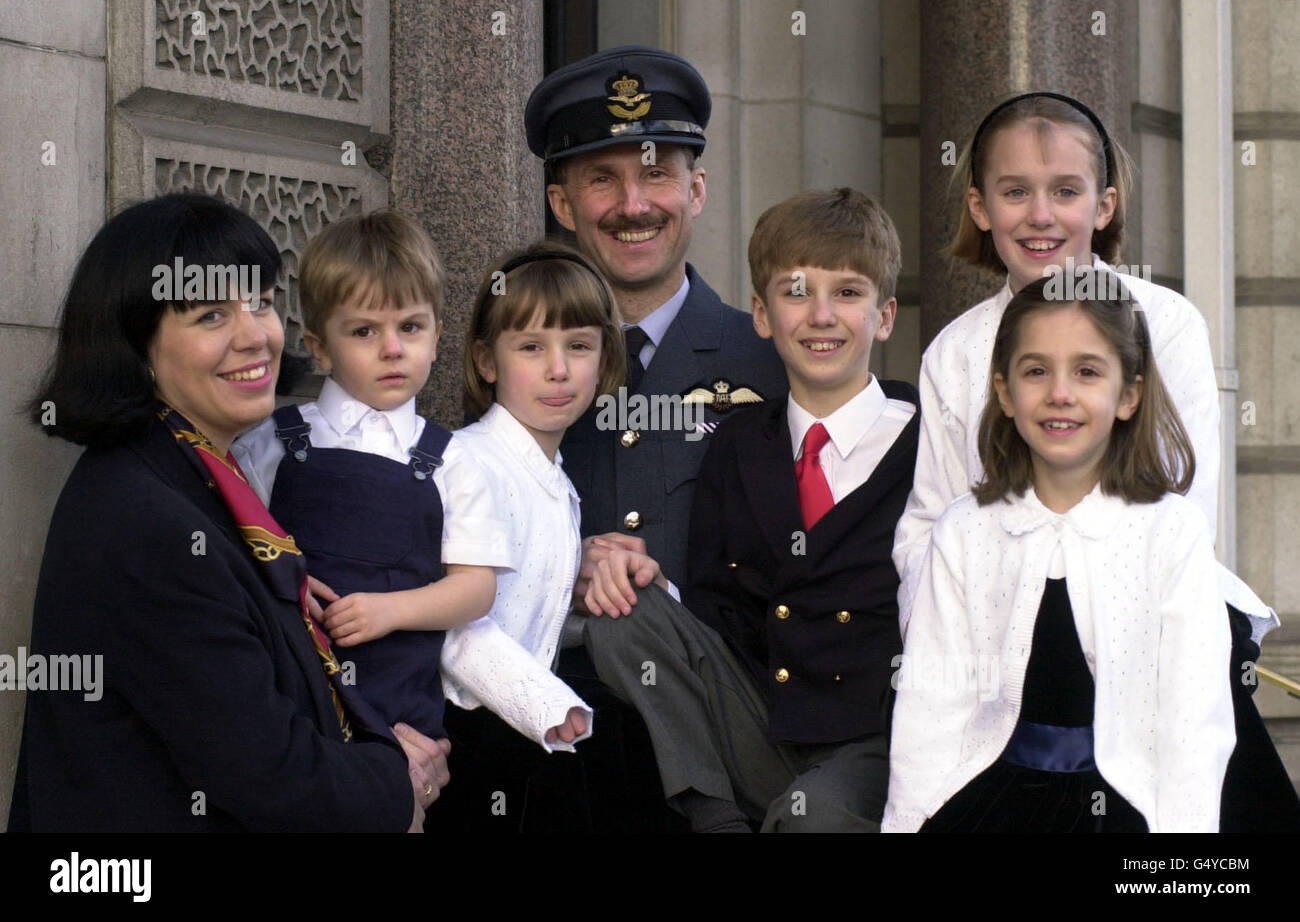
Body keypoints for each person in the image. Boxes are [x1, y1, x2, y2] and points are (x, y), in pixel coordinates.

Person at [890, 91, 1300, 830]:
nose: (1040, 215)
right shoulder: (954, 353)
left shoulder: (1167, 324)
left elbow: (1181, 500)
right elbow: (935, 522)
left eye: (1066, 191)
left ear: (1104, 205)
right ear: (981, 208)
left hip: (1146, 631)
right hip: (996, 649)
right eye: (1015, 192)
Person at [8, 193, 448, 832]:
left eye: (261, 302)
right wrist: (394, 781)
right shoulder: (148, 521)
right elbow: (267, 771)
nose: (256, 336)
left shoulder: (202, 475)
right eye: (212, 315)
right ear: (136, 344)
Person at [578, 188, 918, 832]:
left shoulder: (928, 442)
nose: (821, 315)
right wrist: (654, 583)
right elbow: (717, 610)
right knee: (622, 613)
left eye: (847, 293)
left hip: (875, 744)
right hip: (760, 724)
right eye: (796, 293)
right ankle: (713, 817)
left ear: (885, 315)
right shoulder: (737, 442)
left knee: (811, 820)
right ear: (761, 315)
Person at [884, 273, 1235, 832]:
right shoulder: (964, 531)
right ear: (1004, 391)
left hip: (1130, 809)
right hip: (990, 804)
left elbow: (1193, 724)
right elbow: (931, 712)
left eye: (1088, 371)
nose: (1060, 394)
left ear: (1129, 394)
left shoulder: (1171, 532)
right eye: (1036, 371)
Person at [526, 44, 788, 589]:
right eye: (602, 179)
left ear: (695, 191)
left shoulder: (773, 361)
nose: (634, 205)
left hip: (716, 674)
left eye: (655, 174)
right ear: (562, 204)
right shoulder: (521, 365)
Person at [233, 211, 496, 742]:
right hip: (294, 707)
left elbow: (477, 588)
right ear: (321, 347)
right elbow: (234, 556)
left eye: (410, 327)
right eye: (364, 331)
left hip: (403, 716)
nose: (392, 348)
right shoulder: (271, 443)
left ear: (437, 336)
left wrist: (390, 611)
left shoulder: (452, 459)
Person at [429, 242, 627, 830]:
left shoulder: (557, 479)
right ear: (488, 362)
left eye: (579, 346)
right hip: (467, 732)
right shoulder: (466, 462)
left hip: (530, 733)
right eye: (532, 347)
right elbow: (452, 618)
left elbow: (530, 617)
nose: (559, 369)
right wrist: (542, 701)